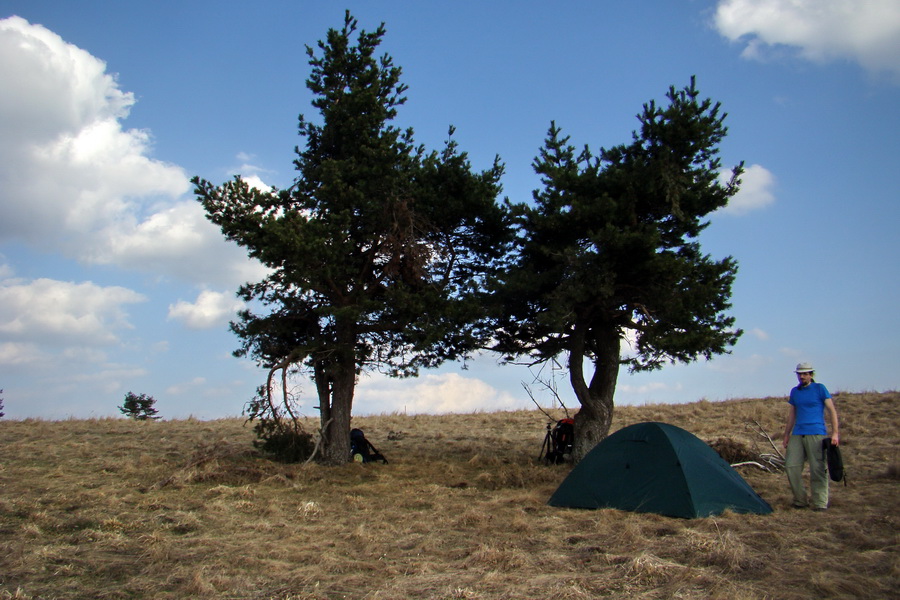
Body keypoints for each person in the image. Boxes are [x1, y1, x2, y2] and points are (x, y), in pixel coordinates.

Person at [781, 362, 840, 510]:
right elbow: (792, 413)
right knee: (791, 466)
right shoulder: (795, 391)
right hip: (798, 433)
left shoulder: (820, 388)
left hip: (816, 433)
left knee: (817, 468)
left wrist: (835, 433)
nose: (802, 376)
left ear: (811, 374)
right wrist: (786, 434)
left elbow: (831, 410)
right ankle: (800, 500)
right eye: (800, 374)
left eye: (805, 374)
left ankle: (820, 502)